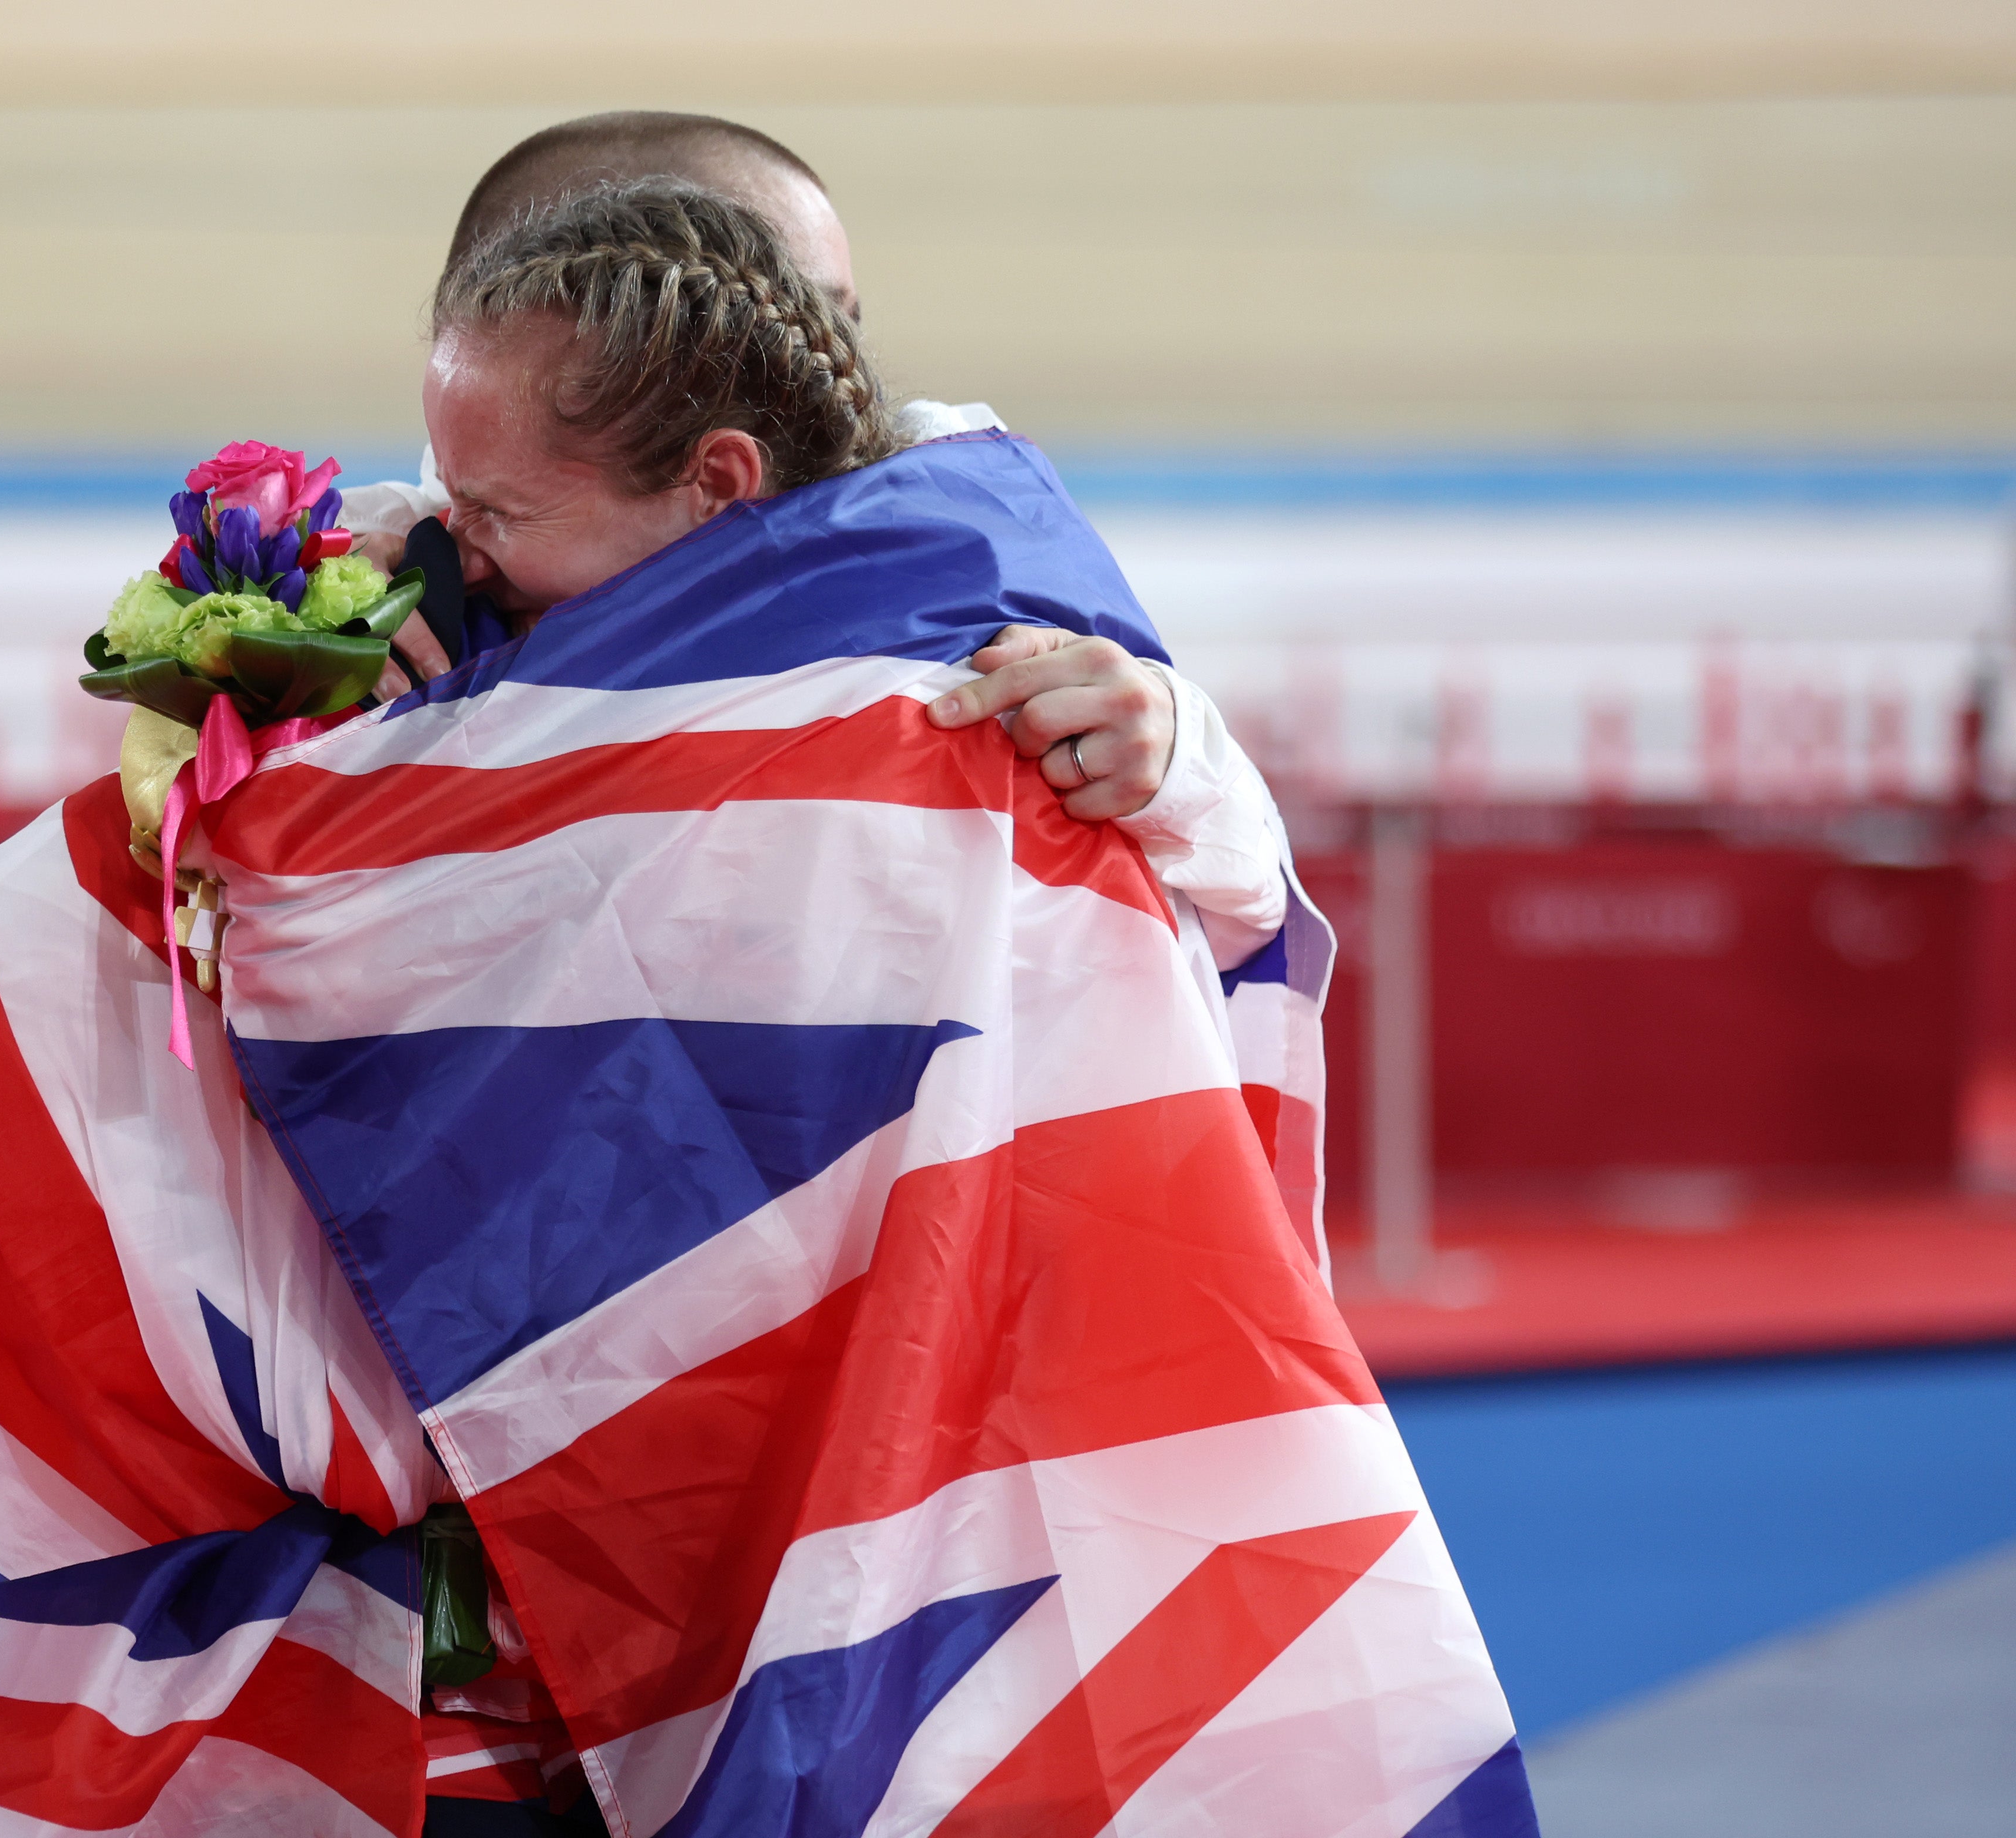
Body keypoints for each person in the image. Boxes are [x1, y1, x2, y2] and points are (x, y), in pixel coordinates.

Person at [204, 178, 1530, 1838]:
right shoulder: (422, 601)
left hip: (915, 1474)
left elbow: (1188, 954)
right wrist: (314, 675)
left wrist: (1191, 772)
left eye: (813, 310)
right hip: (520, 1534)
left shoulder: (980, 619)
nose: (826, 374)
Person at [342, 111, 1290, 974]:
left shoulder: (958, 542)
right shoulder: (382, 570)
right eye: (738, 317)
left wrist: (1176, 756)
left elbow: (1238, 903)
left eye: (839, 318)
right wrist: (294, 638)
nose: (822, 370)